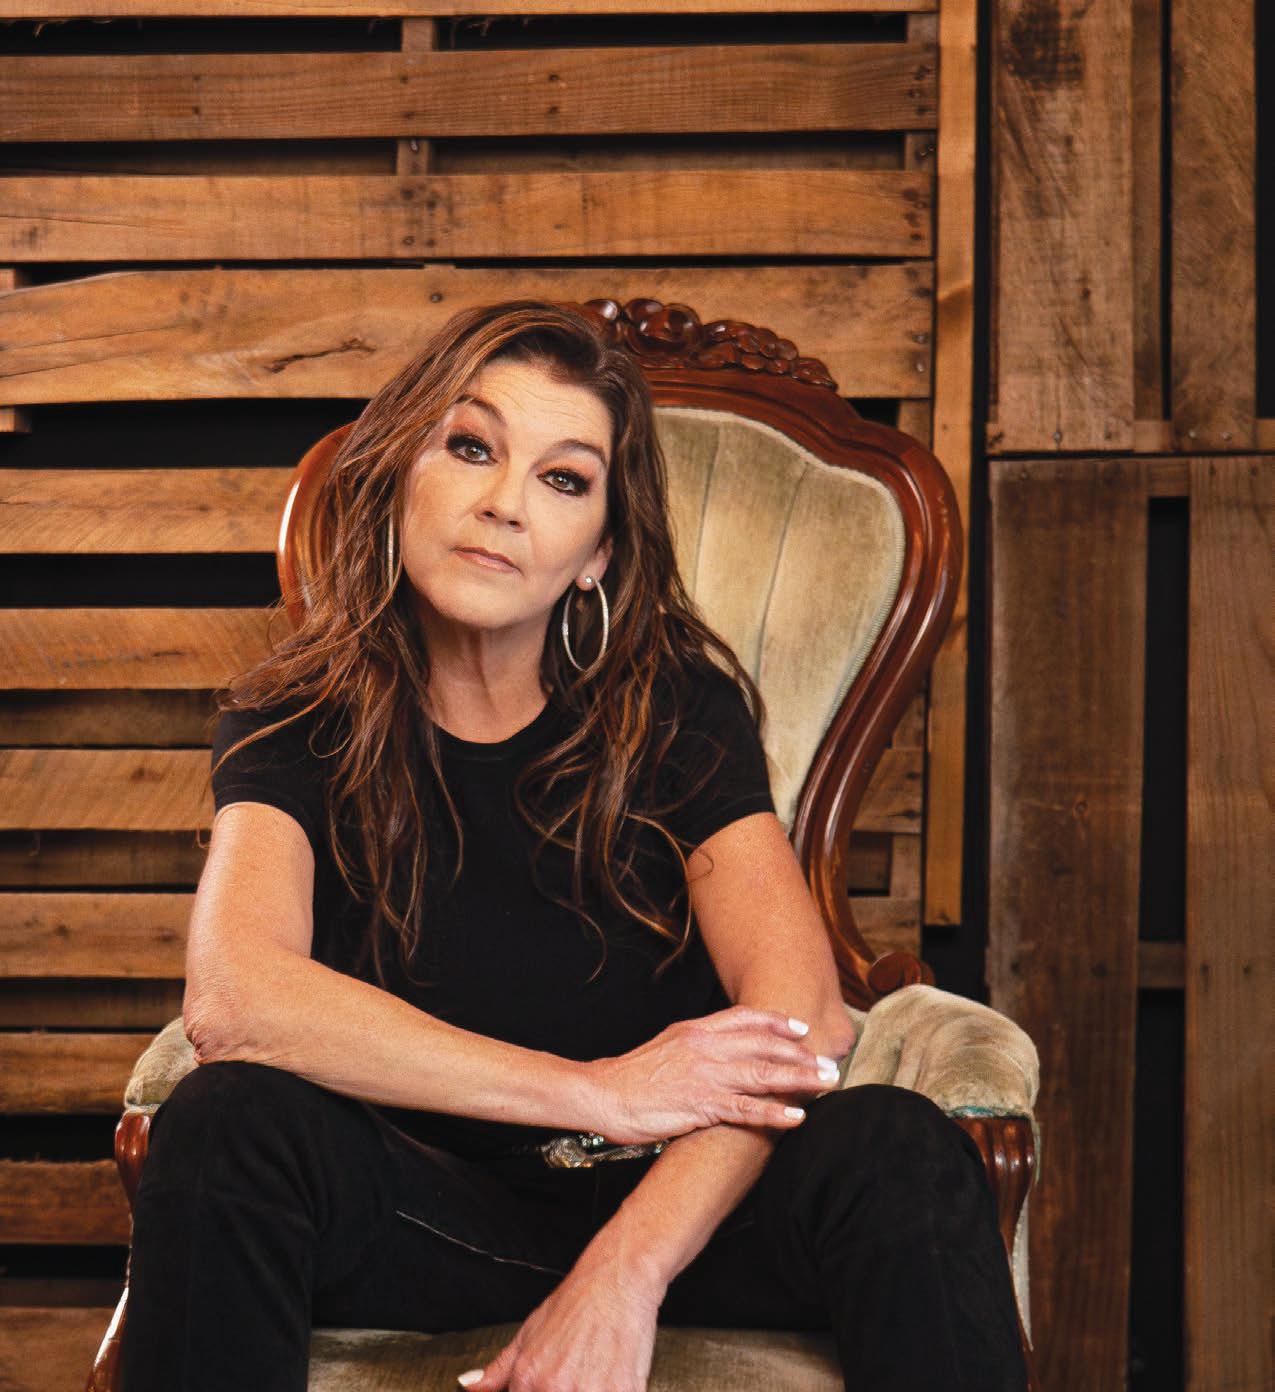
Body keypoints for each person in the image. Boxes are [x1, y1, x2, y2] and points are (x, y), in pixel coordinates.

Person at [118, 299, 1027, 1392]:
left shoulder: (676, 709)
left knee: (897, 1142)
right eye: (471, 446)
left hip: (676, 1209)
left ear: (597, 550)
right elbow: (236, 997)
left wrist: (624, 1273)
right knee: (225, 1124)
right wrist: (597, 1093)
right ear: (400, 472)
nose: (505, 504)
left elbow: (804, 1021)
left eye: (562, 478)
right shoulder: (293, 718)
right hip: (423, 1214)